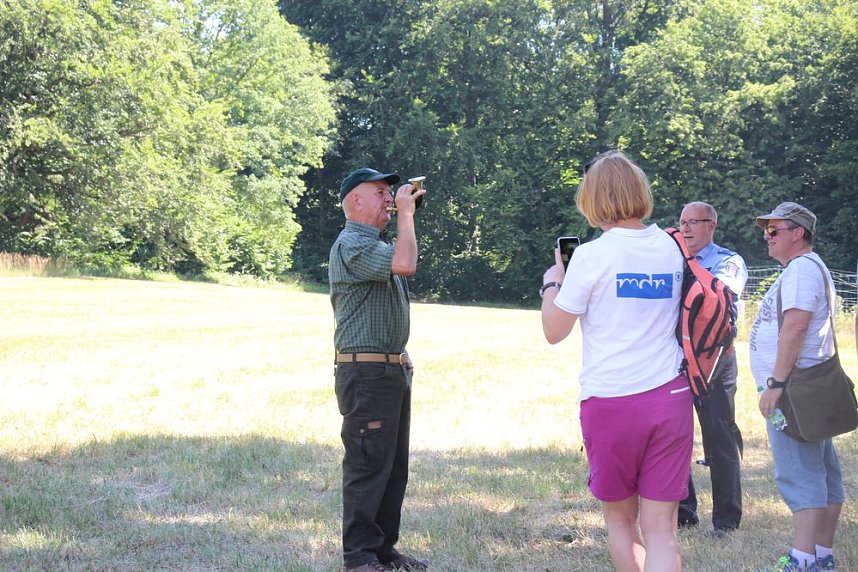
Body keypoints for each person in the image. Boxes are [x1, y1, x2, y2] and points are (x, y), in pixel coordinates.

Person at [541, 150, 691, 572]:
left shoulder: (591, 256)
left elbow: (554, 330)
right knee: (662, 530)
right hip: (670, 396)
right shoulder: (671, 247)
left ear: (592, 198)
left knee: (621, 522)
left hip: (611, 401)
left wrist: (552, 283)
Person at [329, 167, 429, 572]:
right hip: (367, 376)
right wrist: (406, 214)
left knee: (391, 469)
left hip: (386, 372)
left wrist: (398, 355)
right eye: (381, 192)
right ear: (355, 200)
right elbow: (406, 264)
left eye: (391, 193)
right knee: (368, 466)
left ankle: (383, 551)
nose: (389, 199)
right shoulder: (352, 242)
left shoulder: (375, 245)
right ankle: (359, 557)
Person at [749, 202, 845, 572]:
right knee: (823, 471)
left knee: (799, 472)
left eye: (774, 230)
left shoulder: (802, 270)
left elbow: (796, 327)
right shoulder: (805, 267)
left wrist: (775, 384)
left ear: (798, 233)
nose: (767, 237)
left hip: (793, 390)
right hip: (805, 387)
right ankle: (821, 555)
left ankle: (803, 560)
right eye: (766, 230)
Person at [676, 202, 747, 534]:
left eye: (694, 222)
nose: (686, 228)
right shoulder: (671, 258)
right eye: (682, 222)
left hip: (714, 359)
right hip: (676, 357)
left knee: (719, 438)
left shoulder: (728, 261)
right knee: (675, 437)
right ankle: (683, 512)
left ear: (712, 226)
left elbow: (714, 296)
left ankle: (726, 521)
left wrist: (687, 264)